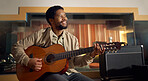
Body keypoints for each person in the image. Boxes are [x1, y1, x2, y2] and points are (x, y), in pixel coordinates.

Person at [11, 5, 104, 81]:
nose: (65, 19)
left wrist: (92, 55)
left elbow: (77, 62)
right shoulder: (41, 34)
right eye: (61, 16)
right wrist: (28, 61)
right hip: (48, 74)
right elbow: (16, 47)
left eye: (65, 15)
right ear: (51, 20)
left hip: (70, 73)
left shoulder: (73, 39)